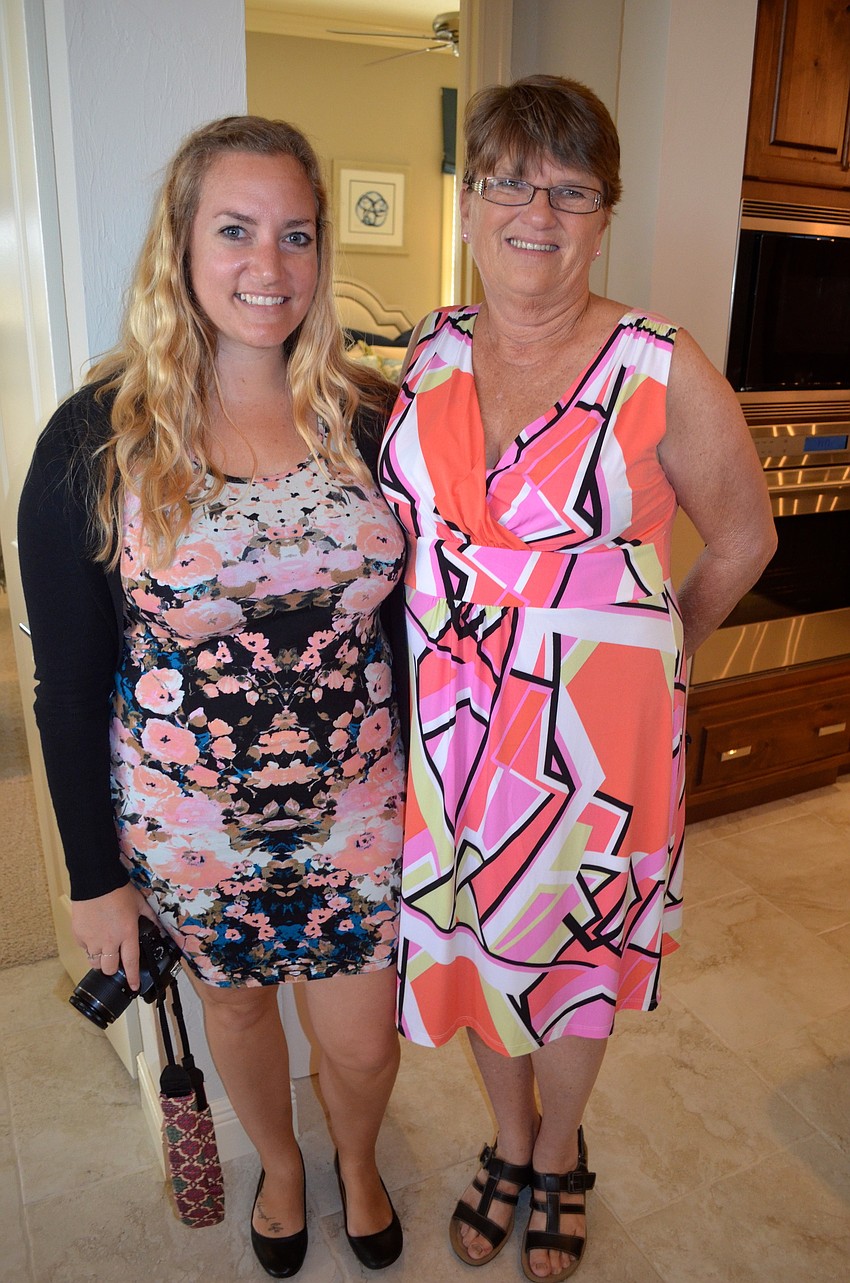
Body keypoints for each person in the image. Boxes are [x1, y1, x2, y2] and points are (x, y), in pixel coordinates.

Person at [378, 76, 777, 1283]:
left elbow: (747, 538)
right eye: (507, 179)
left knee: (570, 957)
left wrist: (651, 655)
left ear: (604, 214)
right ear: (467, 203)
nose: (535, 210)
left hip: (590, 754)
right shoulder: (428, 353)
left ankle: (557, 1150)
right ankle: (506, 1135)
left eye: (570, 189)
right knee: (471, 947)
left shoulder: (660, 365)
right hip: (448, 740)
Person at [18, 116, 406, 1277]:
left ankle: (360, 1153)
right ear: (181, 246)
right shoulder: (100, 436)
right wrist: (94, 877)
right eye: (235, 230)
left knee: (362, 1039)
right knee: (238, 1013)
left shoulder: (373, 414)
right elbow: (70, 679)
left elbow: (427, 621)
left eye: (295, 234)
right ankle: (282, 1168)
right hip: (190, 828)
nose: (268, 265)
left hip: (360, 807)